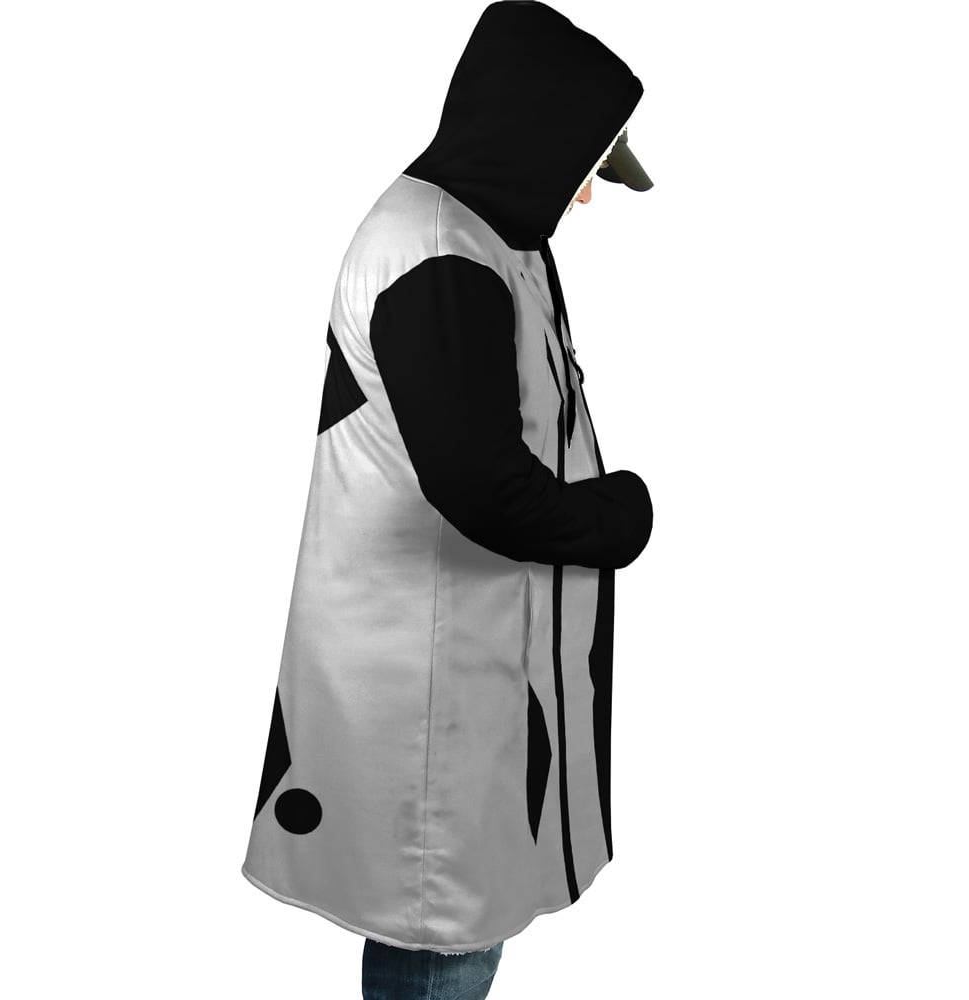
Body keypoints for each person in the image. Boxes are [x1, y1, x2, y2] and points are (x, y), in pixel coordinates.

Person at [241, 3, 655, 997]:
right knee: (440, 932)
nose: (585, 195)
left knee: (451, 918)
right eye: (585, 165)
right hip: (428, 671)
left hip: (465, 660)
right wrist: (618, 518)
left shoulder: (482, 239)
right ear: (532, 128)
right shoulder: (436, 254)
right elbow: (482, 487)